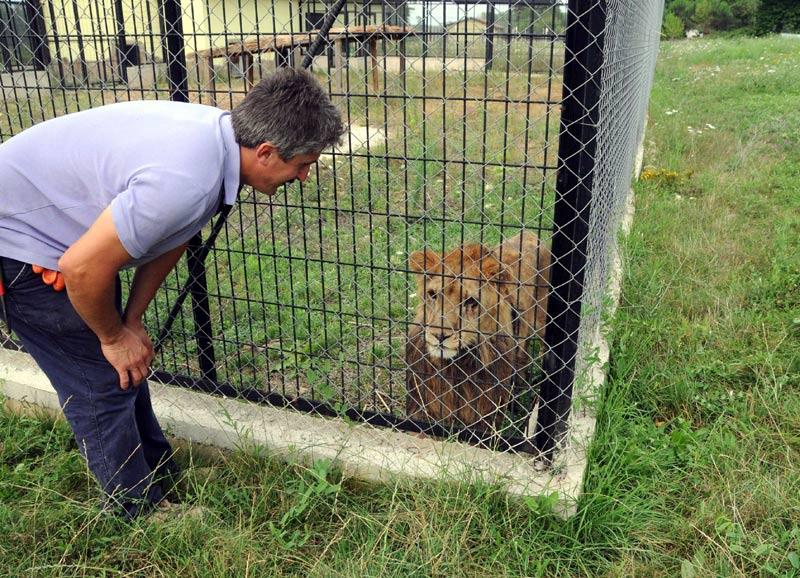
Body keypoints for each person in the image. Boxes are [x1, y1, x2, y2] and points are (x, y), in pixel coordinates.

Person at [0, 67, 345, 519]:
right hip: (19, 246)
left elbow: (174, 234)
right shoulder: (185, 179)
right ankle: (136, 512)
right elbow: (82, 268)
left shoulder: (215, 146)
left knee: (125, 366)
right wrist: (111, 337)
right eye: (302, 165)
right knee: (102, 377)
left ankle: (158, 474)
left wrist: (132, 322)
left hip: (61, 240)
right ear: (265, 151)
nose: (303, 177)